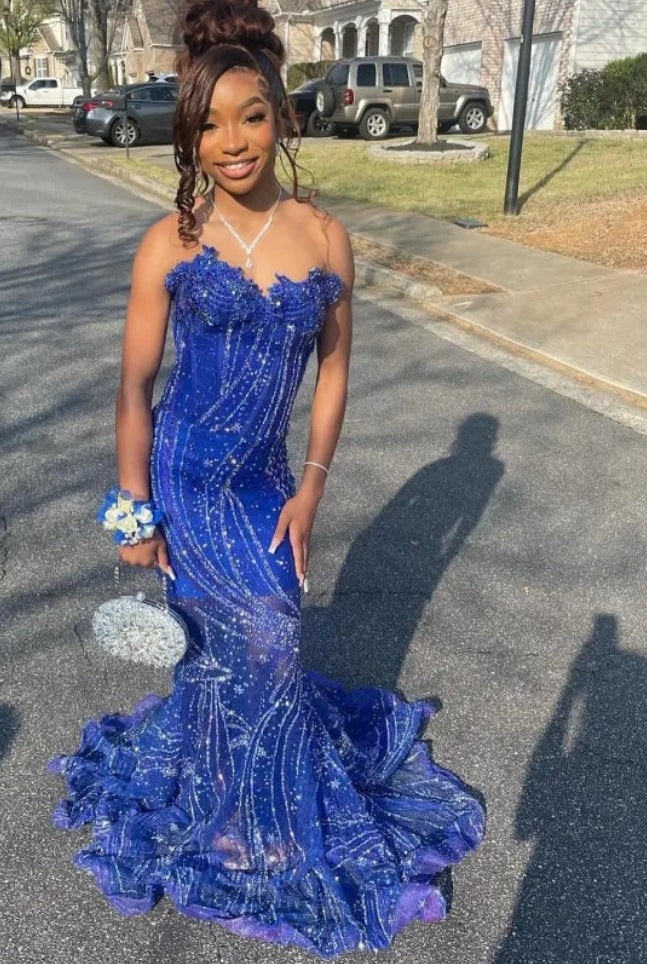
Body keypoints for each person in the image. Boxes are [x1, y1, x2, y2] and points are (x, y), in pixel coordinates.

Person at [47, 0, 484, 956]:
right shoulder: (169, 242)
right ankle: (222, 805)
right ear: (189, 137)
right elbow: (133, 385)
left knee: (274, 636)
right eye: (209, 125)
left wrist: (313, 486)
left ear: (281, 116)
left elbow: (334, 369)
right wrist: (132, 512)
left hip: (264, 484)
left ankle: (274, 806)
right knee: (215, 652)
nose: (233, 142)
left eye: (250, 116)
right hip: (181, 482)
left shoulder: (324, 237)